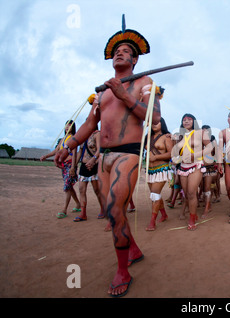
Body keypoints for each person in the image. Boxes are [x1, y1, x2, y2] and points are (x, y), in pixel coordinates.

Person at [54, 19, 159, 297]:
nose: (119, 53)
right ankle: (133, 249)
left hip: (129, 154)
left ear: (135, 60)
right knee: (114, 213)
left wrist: (124, 94)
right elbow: (90, 125)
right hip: (104, 157)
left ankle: (123, 270)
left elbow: (154, 117)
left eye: (126, 51)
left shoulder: (145, 83)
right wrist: (68, 144)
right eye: (117, 51)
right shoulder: (101, 92)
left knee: (114, 209)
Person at [171, 114, 212, 230]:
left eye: (189, 119)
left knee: (191, 192)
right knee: (186, 195)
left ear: (194, 121)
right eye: (184, 120)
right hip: (183, 167)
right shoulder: (181, 135)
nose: (186, 121)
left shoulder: (200, 133)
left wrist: (196, 155)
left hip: (196, 165)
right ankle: (194, 214)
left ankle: (191, 219)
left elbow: (209, 147)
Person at [41, 120, 81, 218]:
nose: (67, 128)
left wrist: (73, 167)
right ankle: (78, 204)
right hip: (64, 165)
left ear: (73, 128)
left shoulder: (73, 138)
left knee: (67, 186)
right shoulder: (63, 139)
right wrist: (46, 156)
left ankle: (64, 210)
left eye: (69, 126)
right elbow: (56, 150)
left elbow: (75, 153)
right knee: (69, 186)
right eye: (66, 126)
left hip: (70, 164)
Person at [144, 114, 173, 231]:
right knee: (154, 194)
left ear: (162, 124)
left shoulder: (166, 137)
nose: (154, 124)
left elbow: (171, 154)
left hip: (161, 169)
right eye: (152, 122)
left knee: (155, 194)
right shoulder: (147, 137)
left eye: (157, 122)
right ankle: (164, 214)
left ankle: (152, 222)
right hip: (150, 170)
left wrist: (156, 158)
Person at [74, 125, 102, 222]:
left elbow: (99, 149)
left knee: (97, 190)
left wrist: (93, 160)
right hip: (84, 166)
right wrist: (74, 166)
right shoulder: (84, 136)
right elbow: (79, 152)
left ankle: (103, 209)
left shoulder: (97, 134)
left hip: (93, 166)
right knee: (81, 190)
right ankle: (83, 213)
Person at [201, 125, 218, 219]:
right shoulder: (198, 142)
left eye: (206, 131)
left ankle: (207, 208)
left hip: (209, 168)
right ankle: (208, 204)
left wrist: (216, 164)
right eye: (203, 131)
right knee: (202, 188)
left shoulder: (212, 143)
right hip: (199, 168)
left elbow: (216, 155)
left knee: (207, 187)